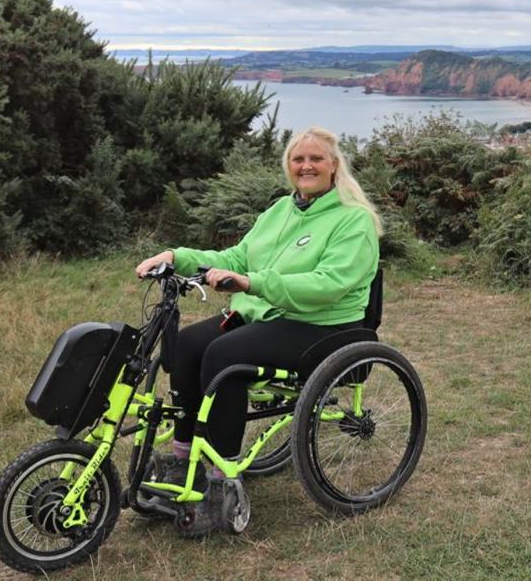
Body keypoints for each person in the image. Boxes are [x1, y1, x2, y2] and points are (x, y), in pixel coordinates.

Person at [134, 126, 382, 537]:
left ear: (334, 166)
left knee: (226, 357)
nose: (306, 166)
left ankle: (220, 478)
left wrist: (254, 283)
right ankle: (183, 461)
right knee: (189, 346)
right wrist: (176, 256)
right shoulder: (279, 212)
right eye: (298, 159)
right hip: (269, 315)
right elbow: (236, 256)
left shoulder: (353, 221)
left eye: (316, 159)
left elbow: (329, 284)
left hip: (323, 325)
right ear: (289, 166)